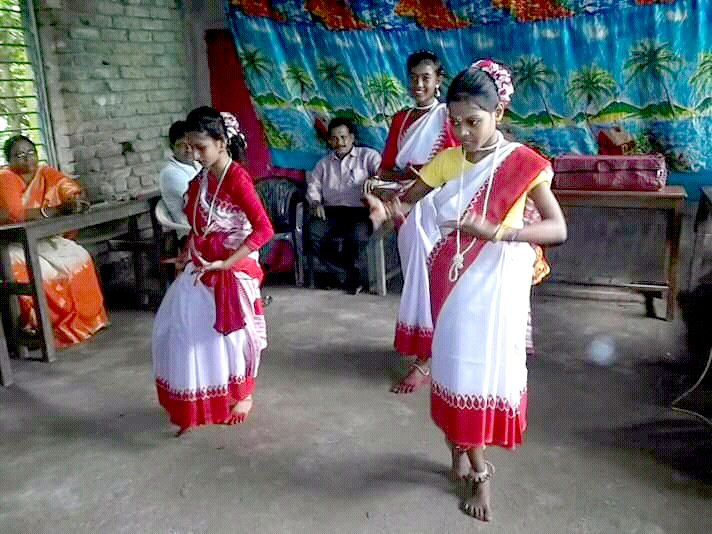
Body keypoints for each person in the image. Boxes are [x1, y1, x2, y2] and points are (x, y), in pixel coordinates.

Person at [365, 60, 567, 522]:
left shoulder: (524, 164)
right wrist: (385, 210)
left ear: (499, 113)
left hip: (495, 287)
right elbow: (406, 199)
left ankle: (480, 471)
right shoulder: (450, 160)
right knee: (454, 371)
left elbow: (557, 228)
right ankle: (460, 449)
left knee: (479, 376)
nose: (463, 133)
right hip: (451, 282)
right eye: (455, 123)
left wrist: (497, 232)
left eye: (473, 122)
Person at [151, 107, 274, 436]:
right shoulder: (202, 178)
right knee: (182, 332)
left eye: (201, 147)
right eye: (190, 147)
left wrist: (227, 263)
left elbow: (264, 230)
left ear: (221, 143)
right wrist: (187, 254)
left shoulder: (236, 179)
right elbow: (198, 227)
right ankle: (199, 399)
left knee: (232, 338)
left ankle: (243, 394)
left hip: (233, 265)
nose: (195, 155)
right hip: (203, 263)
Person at [369, 50, 460, 394]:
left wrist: (423, 182)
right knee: (416, 281)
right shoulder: (401, 120)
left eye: (426, 78)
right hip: (406, 209)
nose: (419, 84)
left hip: (438, 210)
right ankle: (426, 350)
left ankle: (427, 359)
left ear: (438, 81)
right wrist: (386, 184)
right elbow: (387, 167)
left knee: (437, 280)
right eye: (414, 78)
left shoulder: (449, 117)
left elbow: (457, 167)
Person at [0, 135, 108, 348]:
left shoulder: (45, 172)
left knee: (79, 256)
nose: (27, 158)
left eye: (31, 153)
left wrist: (75, 201)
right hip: (12, 242)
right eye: (19, 155)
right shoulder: (6, 178)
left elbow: (68, 188)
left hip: (43, 237)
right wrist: (55, 210)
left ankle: (85, 320)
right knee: (32, 271)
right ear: (9, 160)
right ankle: (39, 328)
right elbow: (15, 214)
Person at [305, 117, 381, 294]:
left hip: (360, 210)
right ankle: (348, 276)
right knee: (312, 234)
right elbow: (313, 186)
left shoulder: (368, 156)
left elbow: (381, 174)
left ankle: (342, 276)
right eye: (335, 138)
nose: (340, 142)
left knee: (358, 237)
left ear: (352, 137)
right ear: (330, 141)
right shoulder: (323, 164)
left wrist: (375, 179)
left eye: (343, 137)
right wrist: (315, 202)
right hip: (332, 210)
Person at [158, 120, 200, 237]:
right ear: (171, 147)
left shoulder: (196, 164)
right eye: (182, 145)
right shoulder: (171, 173)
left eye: (191, 143)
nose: (189, 149)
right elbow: (200, 202)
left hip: (204, 226)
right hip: (190, 233)